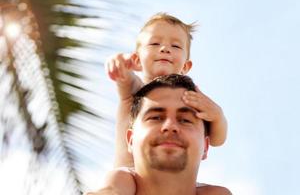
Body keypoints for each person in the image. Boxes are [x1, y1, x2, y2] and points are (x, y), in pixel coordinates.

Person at [106, 12, 227, 168]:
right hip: (130, 176)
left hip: (170, 182)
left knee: (217, 192)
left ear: (185, 66)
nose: (164, 49)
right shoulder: (135, 90)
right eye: (154, 44)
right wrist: (119, 62)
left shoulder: (190, 98)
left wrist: (218, 116)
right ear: (137, 59)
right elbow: (123, 76)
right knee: (117, 181)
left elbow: (217, 140)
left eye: (175, 46)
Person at [87, 74, 231, 195]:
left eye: (185, 120)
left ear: (205, 147)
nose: (170, 126)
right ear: (131, 140)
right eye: (156, 117)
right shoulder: (118, 182)